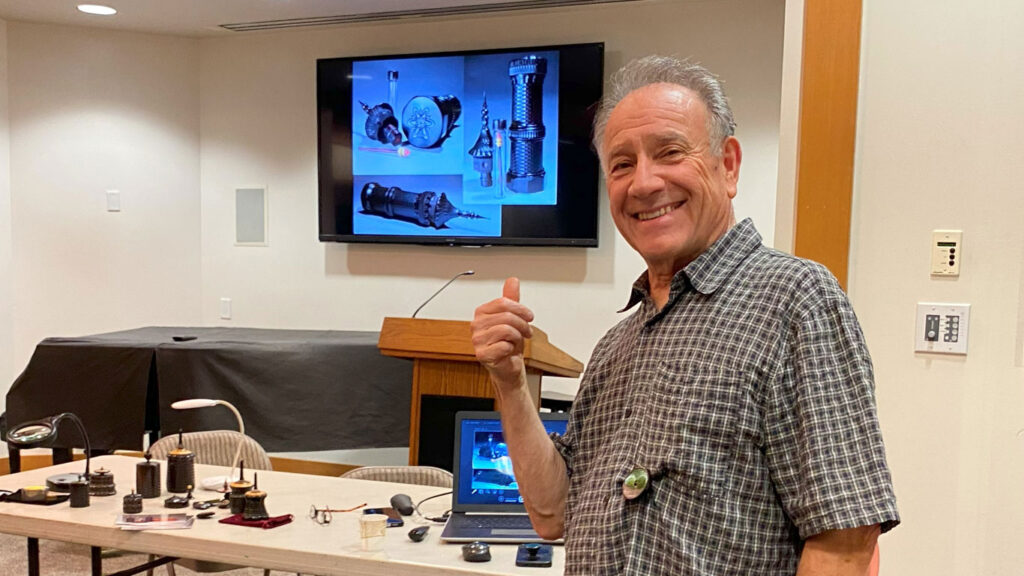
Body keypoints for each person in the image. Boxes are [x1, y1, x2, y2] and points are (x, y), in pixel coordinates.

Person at [470, 55, 899, 575]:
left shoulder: (795, 301)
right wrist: (512, 386)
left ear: (729, 165)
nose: (644, 183)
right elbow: (552, 513)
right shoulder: (617, 345)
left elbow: (845, 542)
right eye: (621, 165)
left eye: (670, 152)